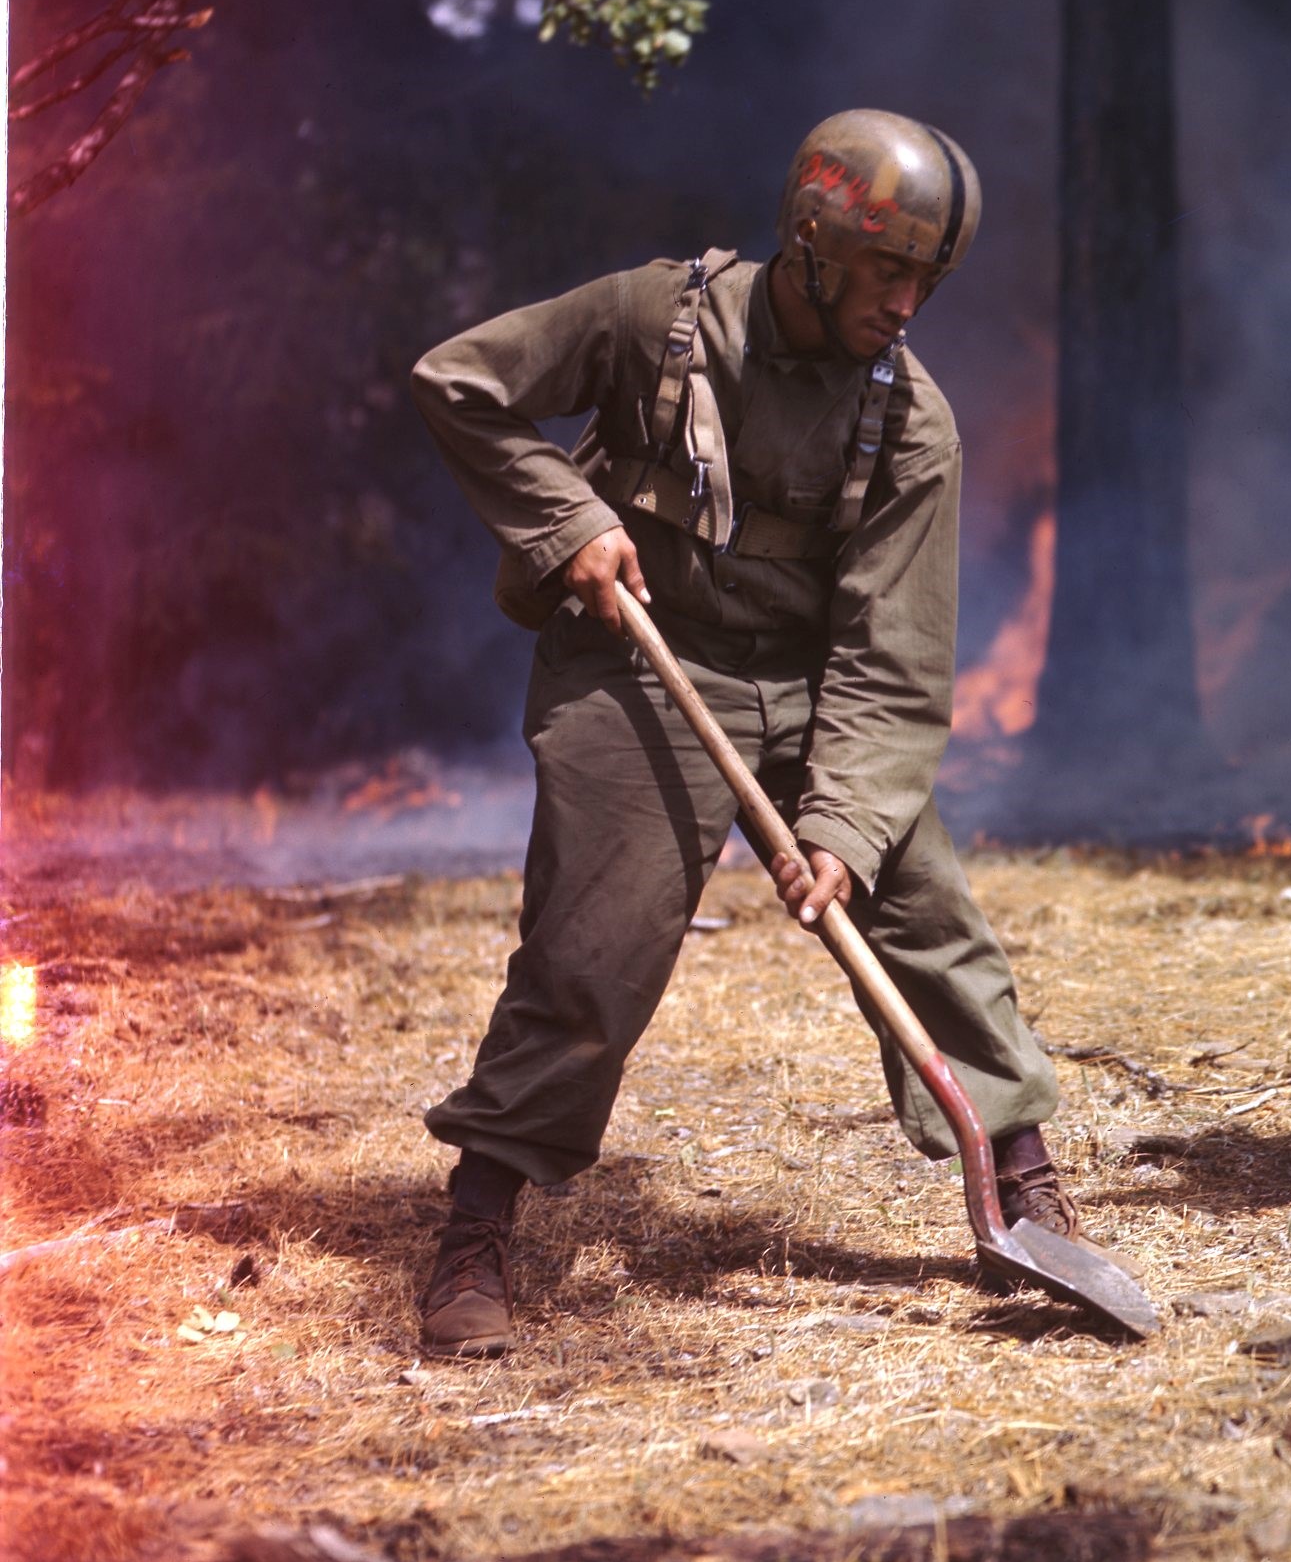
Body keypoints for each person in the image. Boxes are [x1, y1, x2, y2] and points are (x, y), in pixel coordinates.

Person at [407, 110, 1078, 1356]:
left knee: (932, 925)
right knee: (590, 952)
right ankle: (474, 1231)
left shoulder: (913, 424)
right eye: (891, 269)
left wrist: (842, 825)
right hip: (641, 664)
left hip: (818, 691)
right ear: (814, 242)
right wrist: (565, 521)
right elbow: (460, 382)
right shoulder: (649, 320)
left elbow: (893, 658)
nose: (910, 302)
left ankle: (1024, 1191)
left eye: (929, 278)